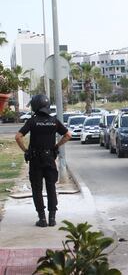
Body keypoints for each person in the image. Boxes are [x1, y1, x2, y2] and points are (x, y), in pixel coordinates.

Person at [15, 94, 71, 227]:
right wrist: (57, 146)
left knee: (37, 189)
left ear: (35, 106)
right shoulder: (54, 121)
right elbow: (68, 135)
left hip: (35, 160)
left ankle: (42, 219)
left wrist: (26, 151)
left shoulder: (32, 121)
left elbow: (18, 137)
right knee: (51, 187)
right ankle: (52, 218)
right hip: (49, 158)